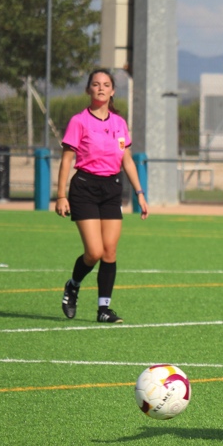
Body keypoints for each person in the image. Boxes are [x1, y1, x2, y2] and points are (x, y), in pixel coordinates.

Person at [56, 69, 148, 324]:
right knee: (94, 251)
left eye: (106, 85)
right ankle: (73, 285)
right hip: (84, 187)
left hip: (111, 189)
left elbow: (126, 160)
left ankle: (104, 309)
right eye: (95, 84)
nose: (101, 88)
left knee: (110, 252)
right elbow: (66, 161)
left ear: (112, 91)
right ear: (88, 90)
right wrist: (61, 195)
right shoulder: (79, 121)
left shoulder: (119, 123)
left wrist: (140, 193)